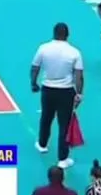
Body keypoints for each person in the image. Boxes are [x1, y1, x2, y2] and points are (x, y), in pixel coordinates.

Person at [30, 22, 82, 168]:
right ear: (67, 35)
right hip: (66, 91)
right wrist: (79, 93)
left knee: (46, 118)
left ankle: (42, 144)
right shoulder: (74, 52)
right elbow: (79, 75)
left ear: (54, 33)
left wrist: (33, 83)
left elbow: (35, 67)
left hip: (48, 90)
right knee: (64, 124)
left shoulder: (43, 48)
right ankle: (62, 159)